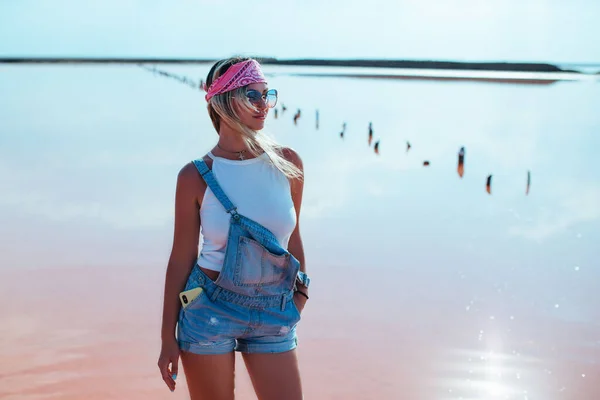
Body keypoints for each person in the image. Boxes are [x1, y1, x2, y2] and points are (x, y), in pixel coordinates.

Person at [157, 57, 310, 400]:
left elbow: (293, 239)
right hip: (208, 309)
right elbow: (181, 257)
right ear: (224, 101)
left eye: (266, 94)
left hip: (275, 308)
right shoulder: (194, 176)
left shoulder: (288, 164)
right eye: (251, 96)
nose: (263, 105)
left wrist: (300, 295)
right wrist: (167, 336)